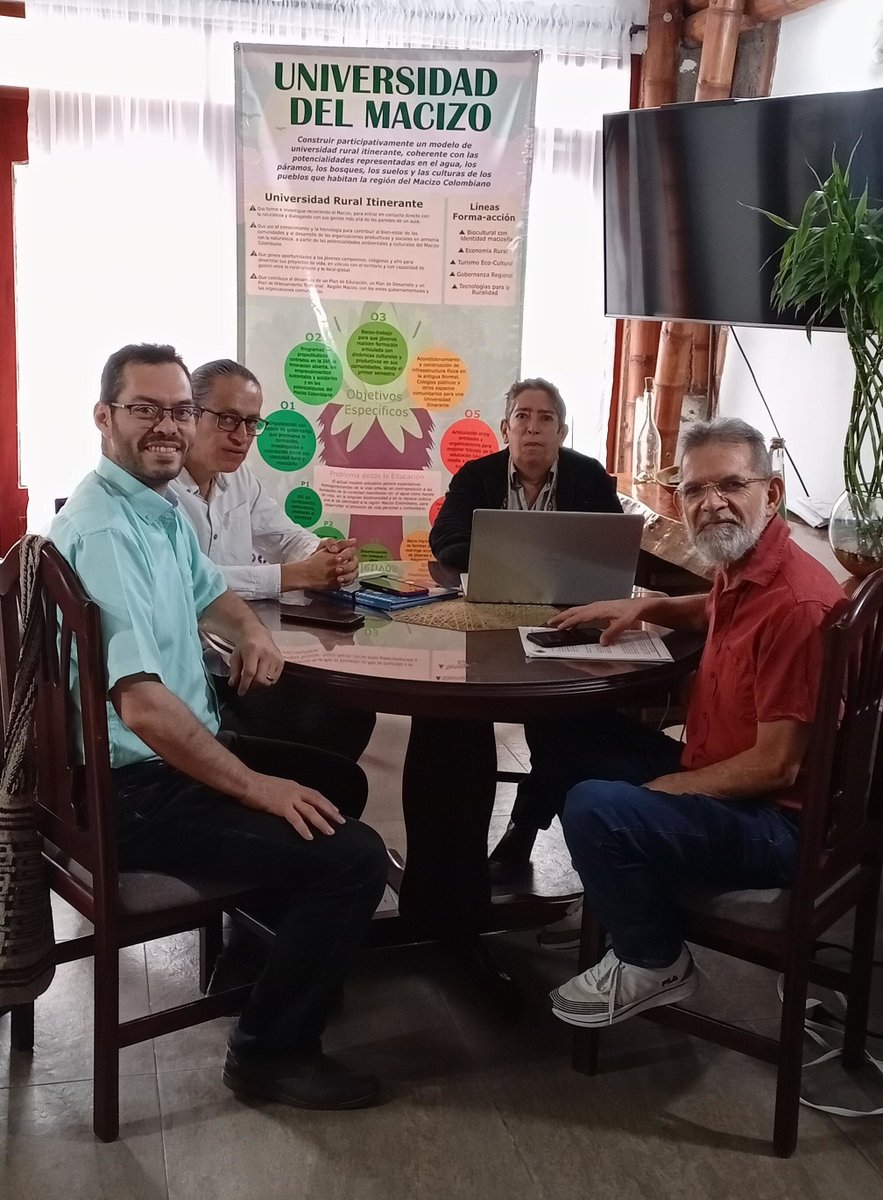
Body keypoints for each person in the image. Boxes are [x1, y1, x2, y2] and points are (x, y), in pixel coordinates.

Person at [50, 343, 389, 1109]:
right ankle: (269, 1053)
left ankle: (264, 958)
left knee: (338, 779)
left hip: (152, 762)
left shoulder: (153, 509)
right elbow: (141, 707)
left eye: (176, 411)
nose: (166, 427)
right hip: (130, 787)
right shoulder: (108, 532)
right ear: (105, 417)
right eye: (147, 409)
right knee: (354, 857)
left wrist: (255, 633)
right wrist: (253, 786)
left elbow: (214, 596)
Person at [527, 417, 844, 1026]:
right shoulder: (752, 563)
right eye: (695, 490)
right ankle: (624, 902)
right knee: (562, 727)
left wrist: (663, 790)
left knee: (599, 807)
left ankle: (654, 958)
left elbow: (777, 764)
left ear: (771, 494)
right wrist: (647, 604)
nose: (711, 503)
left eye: (731, 485)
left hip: (774, 821)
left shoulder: (797, 606)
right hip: (722, 773)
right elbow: (714, 608)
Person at [429, 377, 623, 880]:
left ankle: (524, 828)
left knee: (558, 720)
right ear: (505, 427)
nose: (533, 428)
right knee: (455, 719)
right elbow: (444, 539)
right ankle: (452, 860)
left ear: (561, 429)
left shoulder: (589, 477)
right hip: (488, 622)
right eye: (522, 416)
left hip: (564, 622)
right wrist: (523, 562)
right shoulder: (476, 476)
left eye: (545, 418)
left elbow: (614, 548)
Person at [170, 358, 375, 762]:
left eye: (252, 423)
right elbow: (192, 578)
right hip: (191, 674)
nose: (242, 436)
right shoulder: (162, 489)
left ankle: (310, 808)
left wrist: (324, 555)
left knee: (350, 709)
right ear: (190, 415)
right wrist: (293, 576)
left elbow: (286, 536)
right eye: (228, 419)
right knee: (306, 722)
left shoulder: (239, 480)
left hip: (243, 656)